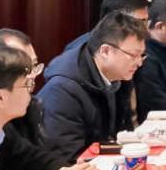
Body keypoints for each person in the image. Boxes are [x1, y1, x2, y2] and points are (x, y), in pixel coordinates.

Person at [39, 12, 147, 161]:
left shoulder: (117, 76)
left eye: (142, 55)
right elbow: (67, 157)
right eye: (134, 55)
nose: (139, 63)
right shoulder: (62, 90)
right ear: (105, 51)